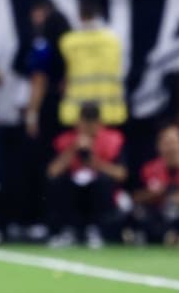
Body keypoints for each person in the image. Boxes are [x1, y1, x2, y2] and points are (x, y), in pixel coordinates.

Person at [46, 101, 127, 248]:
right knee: (59, 183)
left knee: (103, 182)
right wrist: (73, 150)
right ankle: (68, 230)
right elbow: (52, 171)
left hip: (99, 193)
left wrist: (94, 161)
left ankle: (96, 231)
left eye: (92, 122)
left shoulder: (112, 139)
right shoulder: (66, 140)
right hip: (74, 192)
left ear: (99, 123)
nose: (88, 127)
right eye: (85, 122)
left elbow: (121, 174)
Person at [129, 124, 179, 245]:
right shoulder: (149, 169)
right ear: (159, 146)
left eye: (174, 142)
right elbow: (135, 197)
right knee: (138, 212)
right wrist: (154, 194)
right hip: (157, 213)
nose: (171, 147)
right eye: (167, 143)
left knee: (173, 208)